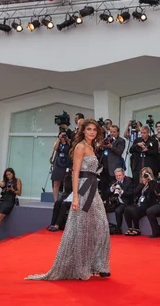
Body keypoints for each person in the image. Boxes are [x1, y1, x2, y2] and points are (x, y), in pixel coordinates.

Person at [26, 119, 111, 280]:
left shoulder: (92, 148)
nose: (92, 132)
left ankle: (97, 264)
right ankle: (82, 267)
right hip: (84, 189)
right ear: (83, 131)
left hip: (94, 189)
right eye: (89, 129)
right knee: (82, 228)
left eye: (94, 129)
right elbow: (75, 172)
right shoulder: (80, 147)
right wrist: (76, 197)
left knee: (101, 226)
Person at [124, 167, 159, 236]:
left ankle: (137, 229)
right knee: (127, 209)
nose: (144, 176)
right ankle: (130, 228)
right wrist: (142, 184)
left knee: (134, 210)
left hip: (148, 204)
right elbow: (135, 193)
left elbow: (153, 192)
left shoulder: (153, 183)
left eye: (145, 174)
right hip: (140, 203)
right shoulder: (141, 184)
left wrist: (150, 180)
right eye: (142, 174)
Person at [109, 168, 134, 234]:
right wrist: (111, 189)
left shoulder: (129, 182)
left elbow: (131, 194)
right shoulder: (113, 182)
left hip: (126, 202)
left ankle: (118, 228)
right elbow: (106, 193)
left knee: (118, 211)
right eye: (116, 176)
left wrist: (122, 192)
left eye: (119, 175)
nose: (118, 177)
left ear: (123, 175)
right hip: (115, 202)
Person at [51, 131, 71, 204]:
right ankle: (56, 201)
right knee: (56, 183)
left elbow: (72, 149)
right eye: (61, 135)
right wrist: (59, 140)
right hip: (58, 164)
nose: (63, 137)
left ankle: (65, 200)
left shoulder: (69, 142)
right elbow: (55, 148)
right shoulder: (58, 143)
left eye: (64, 135)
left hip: (66, 164)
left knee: (67, 182)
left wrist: (68, 140)